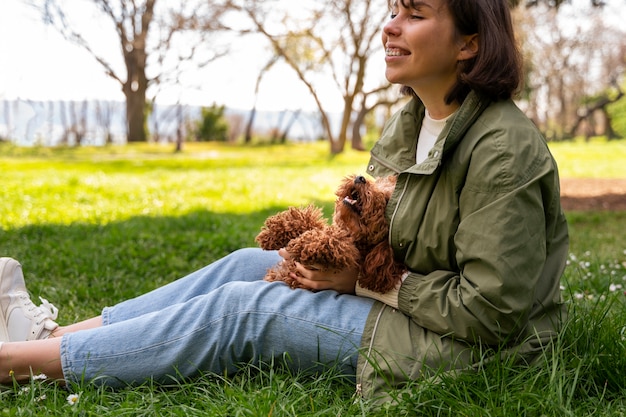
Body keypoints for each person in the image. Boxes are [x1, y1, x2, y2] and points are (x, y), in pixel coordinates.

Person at [0, 0, 568, 404]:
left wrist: (363, 283)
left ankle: (18, 365)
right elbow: (380, 233)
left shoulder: (503, 150)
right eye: (394, 10)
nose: (390, 26)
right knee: (249, 267)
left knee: (244, 309)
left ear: (469, 42)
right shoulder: (414, 120)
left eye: (415, 13)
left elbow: (492, 313)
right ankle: (55, 339)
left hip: (472, 350)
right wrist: (336, 260)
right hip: (415, 307)